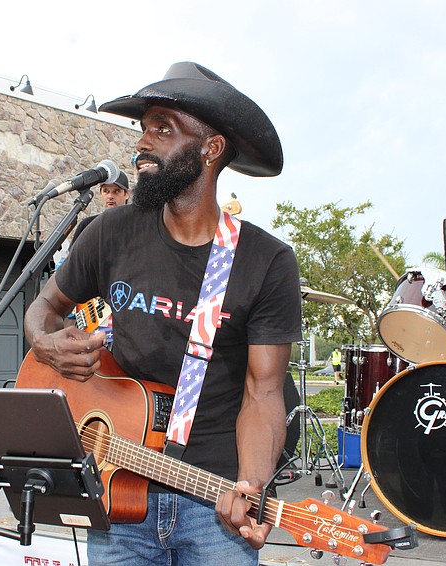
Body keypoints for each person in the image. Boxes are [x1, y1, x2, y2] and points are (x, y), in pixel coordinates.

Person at [23, 62, 301, 564]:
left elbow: (264, 393)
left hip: (214, 501)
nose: (143, 143)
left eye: (164, 129)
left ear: (211, 149)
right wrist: (45, 343)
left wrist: (252, 485)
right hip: (116, 489)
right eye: (143, 128)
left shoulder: (266, 262)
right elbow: (44, 307)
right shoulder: (110, 231)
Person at [71, 170, 131, 243]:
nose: (110, 196)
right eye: (106, 191)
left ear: (127, 194)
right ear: (100, 194)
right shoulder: (87, 225)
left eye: (116, 191)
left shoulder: (136, 225)